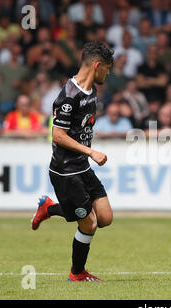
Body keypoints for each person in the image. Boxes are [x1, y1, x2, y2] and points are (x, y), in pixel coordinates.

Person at [31, 42, 114, 282]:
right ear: (97, 66)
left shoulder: (91, 91)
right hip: (66, 171)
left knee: (105, 218)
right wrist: (90, 152)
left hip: (82, 167)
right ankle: (77, 273)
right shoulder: (68, 96)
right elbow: (58, 136)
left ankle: (49, 208)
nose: (108, 74)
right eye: (107, 69)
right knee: (89, 224)